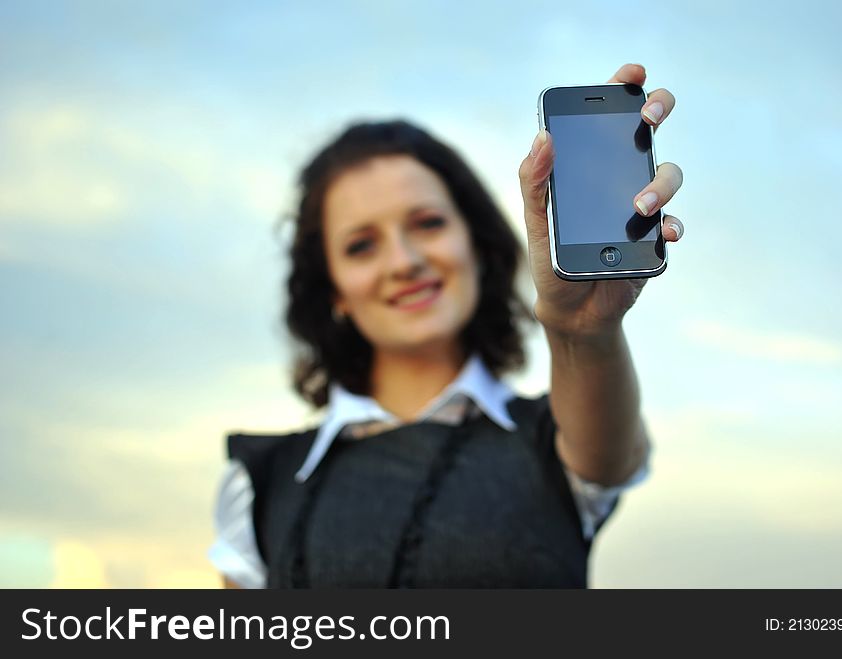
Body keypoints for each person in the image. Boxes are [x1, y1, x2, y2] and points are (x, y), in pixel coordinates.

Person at [208, 63, 684, 588]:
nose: (404, 261)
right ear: (333, 289)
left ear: (476, 245)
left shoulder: (561, 440)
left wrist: (583, 329)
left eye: (428, 223)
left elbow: (610, 458)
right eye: (361, 245)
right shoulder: (259, 483)